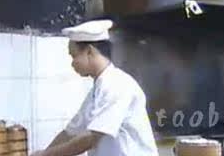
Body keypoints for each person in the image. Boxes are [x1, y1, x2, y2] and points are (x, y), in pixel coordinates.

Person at [32, 19, 158, 156]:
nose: (72, 63)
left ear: (89, 51)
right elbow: (70, 133)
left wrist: (46, 155)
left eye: (74, 56)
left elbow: (91, 138)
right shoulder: (97, 90)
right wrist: (46, 153)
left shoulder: (117, 85)